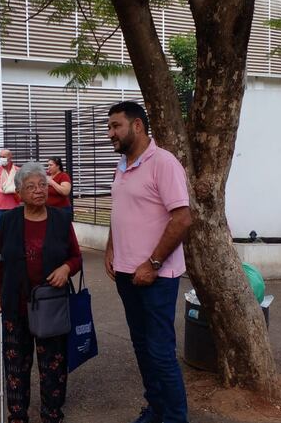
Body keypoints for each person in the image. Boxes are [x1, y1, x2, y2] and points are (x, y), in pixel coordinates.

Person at [104, 101, 191, 423]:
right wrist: (112, 248)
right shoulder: (123, 166)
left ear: (137, 126)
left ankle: (175, 418)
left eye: (116, 126)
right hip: (127, 274)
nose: (110, 133)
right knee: (142, 348)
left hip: (157, 276)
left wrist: (152, 264)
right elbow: (121, 212)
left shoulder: (163, 163)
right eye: (110, 127)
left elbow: (182, 218)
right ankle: (155, 409)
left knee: (160, 353)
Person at [0, 161, 82, 423]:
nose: (39, 190)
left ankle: (52, 412)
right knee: (16, 365)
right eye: (31, 186)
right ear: (18, 193)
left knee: (53, 364)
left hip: (51, 304)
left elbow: (76, 257)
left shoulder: (62, 219)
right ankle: (17, 414)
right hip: (14, 302)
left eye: (42, 185)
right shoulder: (8, 220)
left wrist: (66, 268)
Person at [0, 149, 20, 235]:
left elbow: (22, 188)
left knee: (14, 232)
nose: (1, 159)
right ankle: (0, 248)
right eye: (0, 157)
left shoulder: (18, 171)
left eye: (3, 157)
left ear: (10, 158)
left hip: (14, 207)